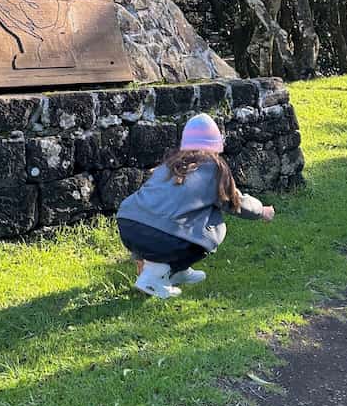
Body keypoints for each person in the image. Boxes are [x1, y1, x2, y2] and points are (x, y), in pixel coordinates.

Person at [117, 112, 275, 299]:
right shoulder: (214, 168)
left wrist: (139, 255)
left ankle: (176, 271)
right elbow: (235, 202)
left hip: (127, 223)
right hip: (157, 236)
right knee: (215, 226)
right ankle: (154, 276)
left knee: (183, 218)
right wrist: (261, 211)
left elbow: (150, 209)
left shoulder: (170, 164)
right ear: (215, 144)